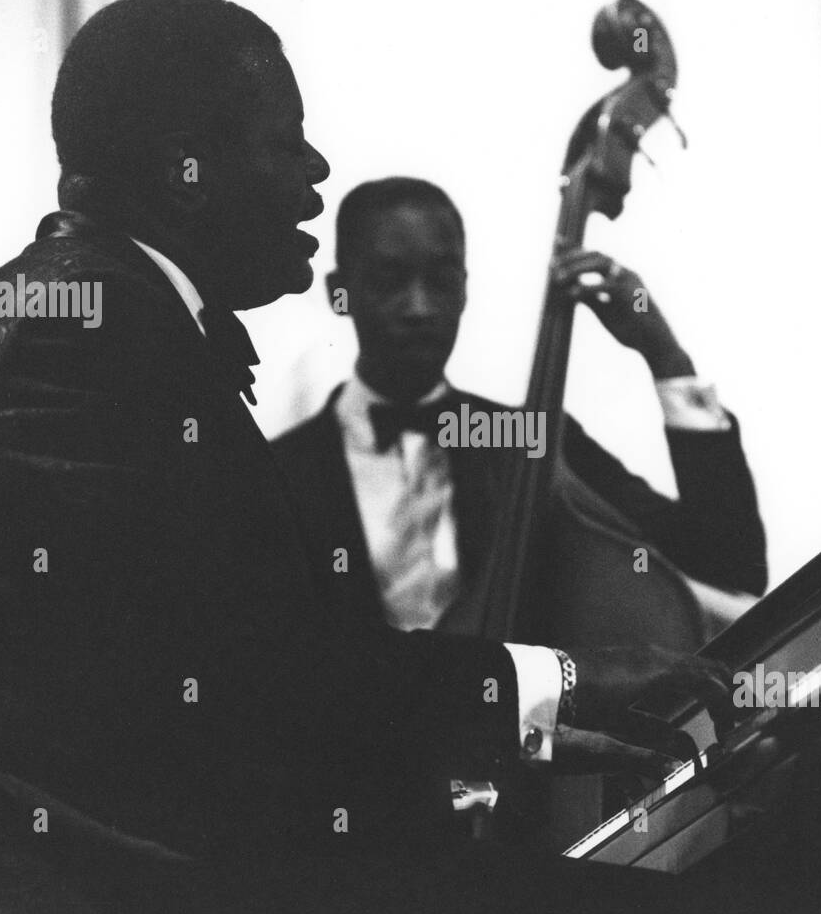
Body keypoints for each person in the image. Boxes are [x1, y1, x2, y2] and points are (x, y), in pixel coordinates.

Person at [0, 0, 738, 914]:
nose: (316, 169)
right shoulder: (88, 333)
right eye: (286, 139)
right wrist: (557, 681)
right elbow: (257, 678)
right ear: (186, 170)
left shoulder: (112, 312)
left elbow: (219, 682)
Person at [269, 177, 767, 636]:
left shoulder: (527, 438)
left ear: (464, 289)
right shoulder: (278, 473)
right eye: (389, 279)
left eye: (441, 280)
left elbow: (728, 564)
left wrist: (663, 354)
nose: (419, 307)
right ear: (340, 295)